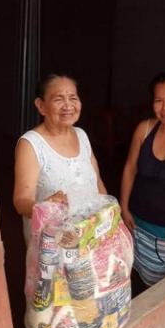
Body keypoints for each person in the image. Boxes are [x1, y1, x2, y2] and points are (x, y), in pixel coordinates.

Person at [13, 74, 106, 243]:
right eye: (58, 99)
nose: (68, 105)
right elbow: (21, 200)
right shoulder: (31, 144)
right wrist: (44, 208)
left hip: (89, 239)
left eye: (73, 98)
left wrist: (108, 217)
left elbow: (97, 182)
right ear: (41, 106)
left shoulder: (81, 135)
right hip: (52, 247)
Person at [121, 72, 165, 289]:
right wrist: (123, 207)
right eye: (159, 101)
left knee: (157, 286)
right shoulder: (145, 129)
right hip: (134, 223)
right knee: (127, 277)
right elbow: (130, 168)